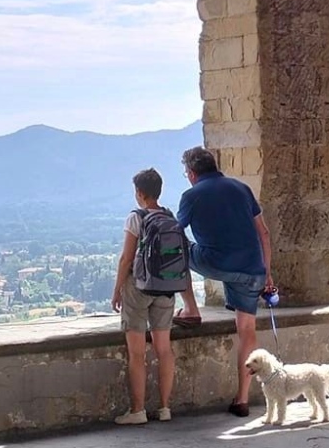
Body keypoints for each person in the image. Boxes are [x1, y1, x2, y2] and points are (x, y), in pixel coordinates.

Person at [176, 145, 274, 416]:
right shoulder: (241, 188)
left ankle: (191, 309)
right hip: (252, 269)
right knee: (247, 332)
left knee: (178, 249)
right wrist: (267, 273)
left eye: (186, 173)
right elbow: (263, 234)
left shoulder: (191, 195)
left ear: (193, 173)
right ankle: (241, 399)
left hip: (215, 263)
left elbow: (174, 234)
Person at [109, 168, 187, 425]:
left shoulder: (136, 218)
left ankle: (138, 410)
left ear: (140, 193)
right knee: (164, 350)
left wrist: (118, 289)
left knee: (137, 353)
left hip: (138, 289)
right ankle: (165, 408)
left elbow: (126, 259)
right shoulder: (169, 216)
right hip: (165, 289)